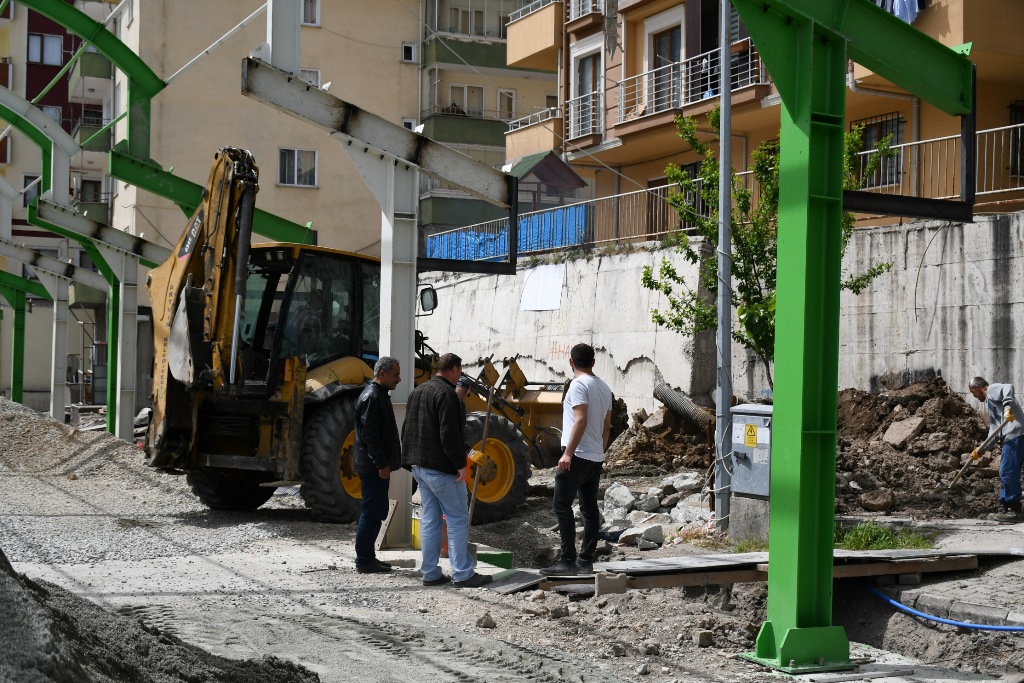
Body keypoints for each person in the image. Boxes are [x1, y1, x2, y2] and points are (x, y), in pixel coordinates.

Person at [402, 353, 492, 588]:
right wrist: (461, 464)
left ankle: (430, 573)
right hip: (441, 469)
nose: (458, 376)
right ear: (453, 370)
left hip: (420, 466)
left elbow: (408, 428)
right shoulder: (447, 394)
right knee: (457, 520)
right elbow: (449, 434)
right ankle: (463, 574)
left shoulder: (417, 391)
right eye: (459, 372)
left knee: (430, 520)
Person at [541, 343, 613, 576]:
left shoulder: (578, 385)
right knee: (589, 509)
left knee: (561, 505)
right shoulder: (604, 387)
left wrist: (568, 454)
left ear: (571, 362)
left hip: (578, 455)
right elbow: (606, 426)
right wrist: (599, 450)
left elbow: (580, 420)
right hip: (594, 456)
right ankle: (585, 560)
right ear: (593, 362)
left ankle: (567, 560)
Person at [353, 357, 402, 573]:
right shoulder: (373, 396)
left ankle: (368, 557)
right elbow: (370, 436)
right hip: (373, 467)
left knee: (377, 510)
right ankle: (364, 560)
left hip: (375, 466)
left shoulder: (378, 395)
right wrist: (381, 464)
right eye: (395, 375)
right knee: (372, 511)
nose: (398, 379)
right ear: (382, 374)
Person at [968, 377, 1024, 522]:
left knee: (1007, 470)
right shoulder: (991, 403)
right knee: (1008, 471)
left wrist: (1007, 407)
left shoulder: (991, 390)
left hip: (1015, 434)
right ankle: (1006, 506)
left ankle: (1014, 508)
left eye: (973, 392)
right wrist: (981, 449)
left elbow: (1008, 387)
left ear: (978, 387)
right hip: (1011, 436)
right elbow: (994, 431)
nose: (974, 396)